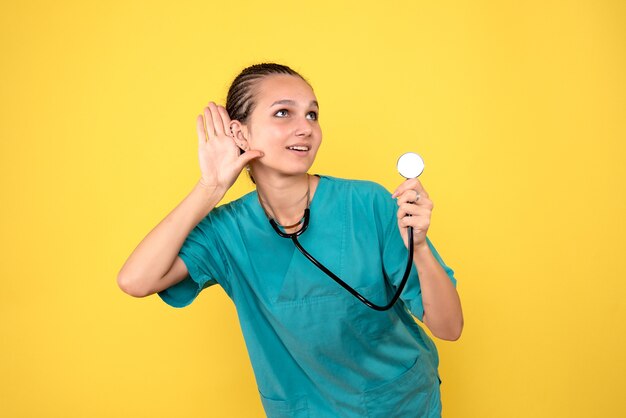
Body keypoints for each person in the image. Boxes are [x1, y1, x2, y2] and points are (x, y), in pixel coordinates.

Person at [117, 63, 463, 418]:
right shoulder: (225, 232)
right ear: (239, 134)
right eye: (283, 113)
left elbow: (449, 328)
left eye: (312, 114)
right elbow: (135, 280)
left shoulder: (369, 203)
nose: (305, 128)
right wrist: (210, 188)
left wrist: (419, 247)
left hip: (399, 404)